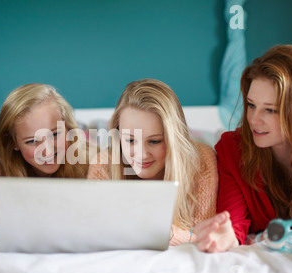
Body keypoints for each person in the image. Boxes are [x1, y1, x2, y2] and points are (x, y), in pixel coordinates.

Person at [194, 44, 292, 253]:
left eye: (270, 110)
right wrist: (227, 237)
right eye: (251, 105)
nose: (253, 119)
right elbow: (233, 225)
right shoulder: (232, 150)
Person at [87, 79, 218, 245]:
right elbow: (96, 233)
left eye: (154, 141)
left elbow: (203, 237)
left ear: (174, 140)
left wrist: (153, 231)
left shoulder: (201, 161)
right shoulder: (104, 164)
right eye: (130, 140)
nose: (141, 154)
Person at [0, 83, 92, 178]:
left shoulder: (94, 166)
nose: (48, 152)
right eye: (32, 141)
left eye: (54, 134)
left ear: (67, 127)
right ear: (13, 142)